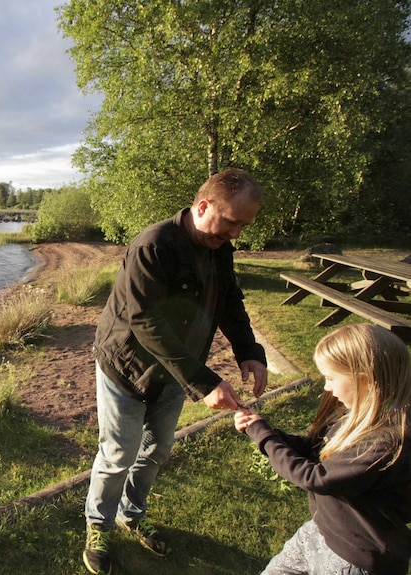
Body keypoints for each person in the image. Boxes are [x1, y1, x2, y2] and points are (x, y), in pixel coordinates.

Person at [83, 168, 269, 575]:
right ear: (204, 207)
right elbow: (145, 321)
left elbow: (230, 301)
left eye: (244, 225)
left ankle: (131, 513)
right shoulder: (153, 246)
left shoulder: (219, 248)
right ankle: (99, 524)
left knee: (156, 451)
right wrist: (204, 383)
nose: (237, 233)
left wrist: (249, 351)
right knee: (118, 455)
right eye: (233, 222)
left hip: (175, 372)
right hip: (126, 369)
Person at [235, 323, 411, 575]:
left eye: (330, 378)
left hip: (354, 558)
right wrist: (263, 430)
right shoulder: (357, 416)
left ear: (363, 380)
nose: (327, 388)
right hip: (321, 531)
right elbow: (312, 448)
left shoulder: (386, 440)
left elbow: (316, 477)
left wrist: (264, 436)